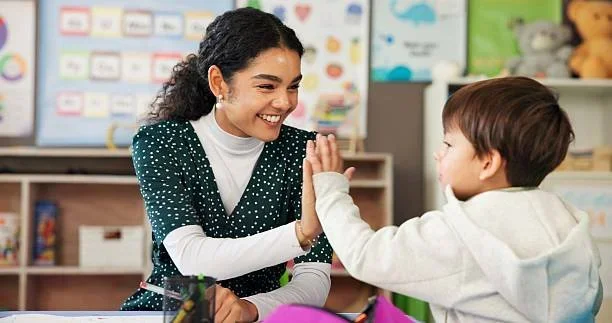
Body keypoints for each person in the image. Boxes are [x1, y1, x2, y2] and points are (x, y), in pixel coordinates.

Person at [301, 77, 603, 322]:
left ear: (488, 163)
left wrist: (330, 188)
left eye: (448, 144)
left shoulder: (462, 230)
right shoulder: (568, 220)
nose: (439, 153)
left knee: (294, 316)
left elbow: (365, 255)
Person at [120, 8, 334, 323]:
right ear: (219, 83)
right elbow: (193, 259)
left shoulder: (305, 150)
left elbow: (315, 276)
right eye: (267, 86)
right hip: (168, 316)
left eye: (293, 86)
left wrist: (252, 308)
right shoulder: (161, 143)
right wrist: (300, 234)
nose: (286, 102)